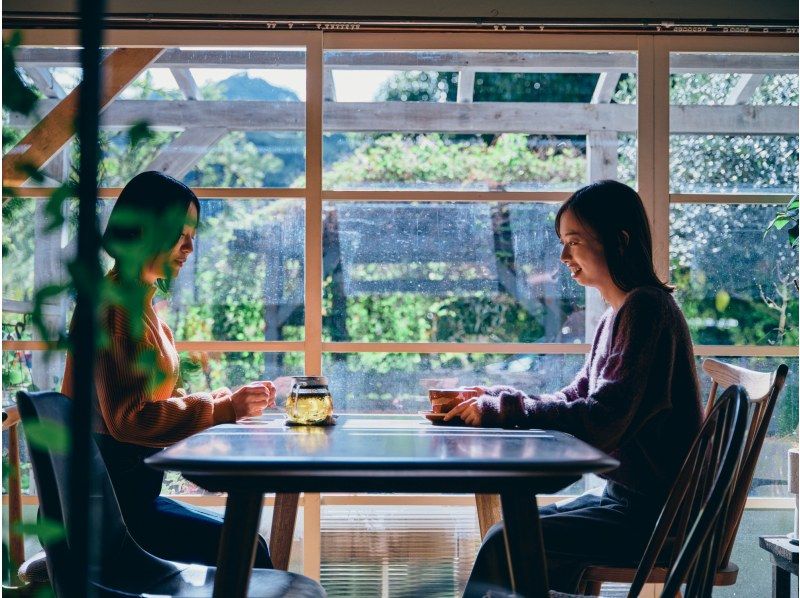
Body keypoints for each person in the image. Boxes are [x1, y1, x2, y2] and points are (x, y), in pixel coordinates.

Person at [447, 180, 703, 595]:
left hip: (656, 520)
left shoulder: (646, 311)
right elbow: (575, 397)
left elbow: (603, 420)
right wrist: (496, 398)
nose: (564, 256)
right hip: (628, 502)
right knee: (513, 530)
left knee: (507, 539)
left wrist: (507, 409)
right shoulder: (619, 314)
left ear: (618, 241)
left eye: (575, 242)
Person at [61, 171, 276, 568]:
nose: (190, 247)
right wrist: (224, 410)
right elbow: (129, 421)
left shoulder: (137, 305)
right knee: (249, 548)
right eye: (182, 234)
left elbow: (148, 400)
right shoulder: (114, 310)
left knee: (249, 544)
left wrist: (222, 400)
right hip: (109, 517)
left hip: (124, 501)